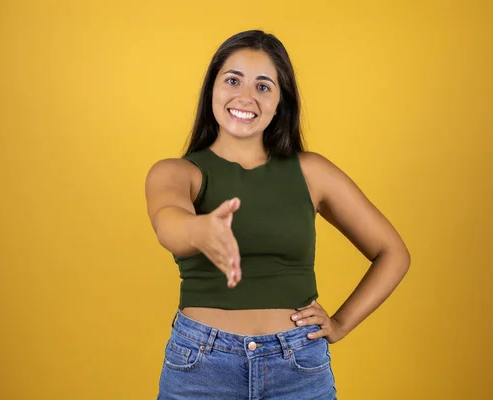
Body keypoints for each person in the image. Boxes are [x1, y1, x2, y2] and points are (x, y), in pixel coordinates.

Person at [145, 30, 411, 400]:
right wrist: (200, 229)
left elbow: (393, 253)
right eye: (233, 80)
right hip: (201, 368)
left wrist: (340, 324)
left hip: (299, 366)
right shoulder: (176, 172)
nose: (246, 97)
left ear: (280, 103)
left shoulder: (312, 172)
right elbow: (167, 222)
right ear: (212, 90)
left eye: (264, 87)